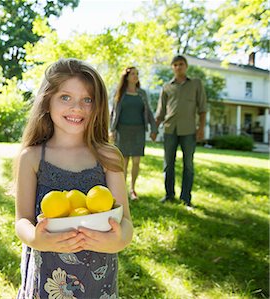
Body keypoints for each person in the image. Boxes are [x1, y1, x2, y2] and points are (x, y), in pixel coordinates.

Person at [15, 58, 133, 298]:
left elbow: (127, 223)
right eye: (65, 97)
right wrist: (37, 240)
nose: (77, 108)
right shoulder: (32, 158)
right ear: (47, 102)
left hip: (97, 282)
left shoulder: (108, 157)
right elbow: (22, 221)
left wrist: (117, 242)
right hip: (47, 279)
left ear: (98, 106)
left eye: (87, 100)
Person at [155, 55, 207, 208]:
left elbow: (202, 108)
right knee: (168, 164)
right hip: (170, 129)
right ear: (172, 67)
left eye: (181, 64)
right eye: (176, 64)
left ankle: (186, 198)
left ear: (186, 66)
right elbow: (161, 111)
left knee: (188, 165)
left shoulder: (196, 84)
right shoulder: (166, 87)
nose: (178, 67)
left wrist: (201, 128)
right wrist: (154, 128)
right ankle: (169, 195)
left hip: (189, 130)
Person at [110, 67, 158, 201]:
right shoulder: (120, 93)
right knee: (124, 162)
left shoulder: (142, 93)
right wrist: (112, 130)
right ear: (126, 77)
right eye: (133, 74)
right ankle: (122, 190)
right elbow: (114, 113)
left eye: (137, 74)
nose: (135, 76)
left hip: (138, 130)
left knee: (136, 161)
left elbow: (148, 111)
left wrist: (154, 128)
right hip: (123, 130)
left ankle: (133, 189)